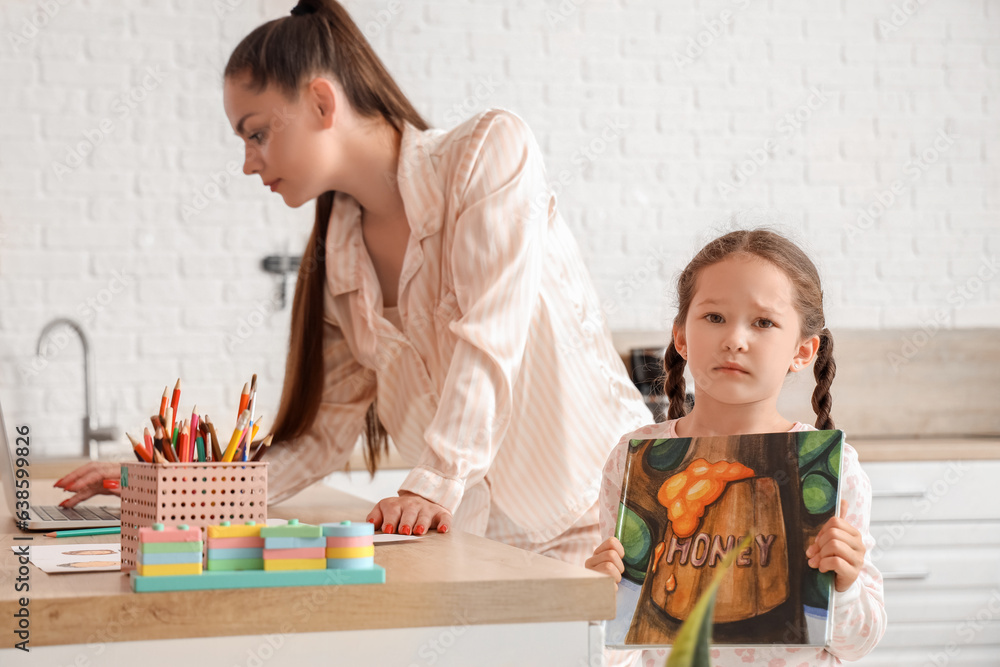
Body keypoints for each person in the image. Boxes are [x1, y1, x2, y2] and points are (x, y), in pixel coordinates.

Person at [56, 0, 651, 566]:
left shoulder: (487, 154)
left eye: (256, 132)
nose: (247, 162)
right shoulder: (337, 264)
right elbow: (320, 440)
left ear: (321, 102)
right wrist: (174, 487)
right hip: (486, 540)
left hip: (607, 521)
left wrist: (432, 486)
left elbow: (488, 338)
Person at [586, 229, 886, 666]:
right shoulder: (633, 459)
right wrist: (598, 604)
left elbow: (858, 645)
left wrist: (847, 585)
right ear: (682, 338)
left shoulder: (838, 471)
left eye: (763, 322)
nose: (735, 339)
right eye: (714, 317)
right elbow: (621, 651)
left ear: (803, 352)